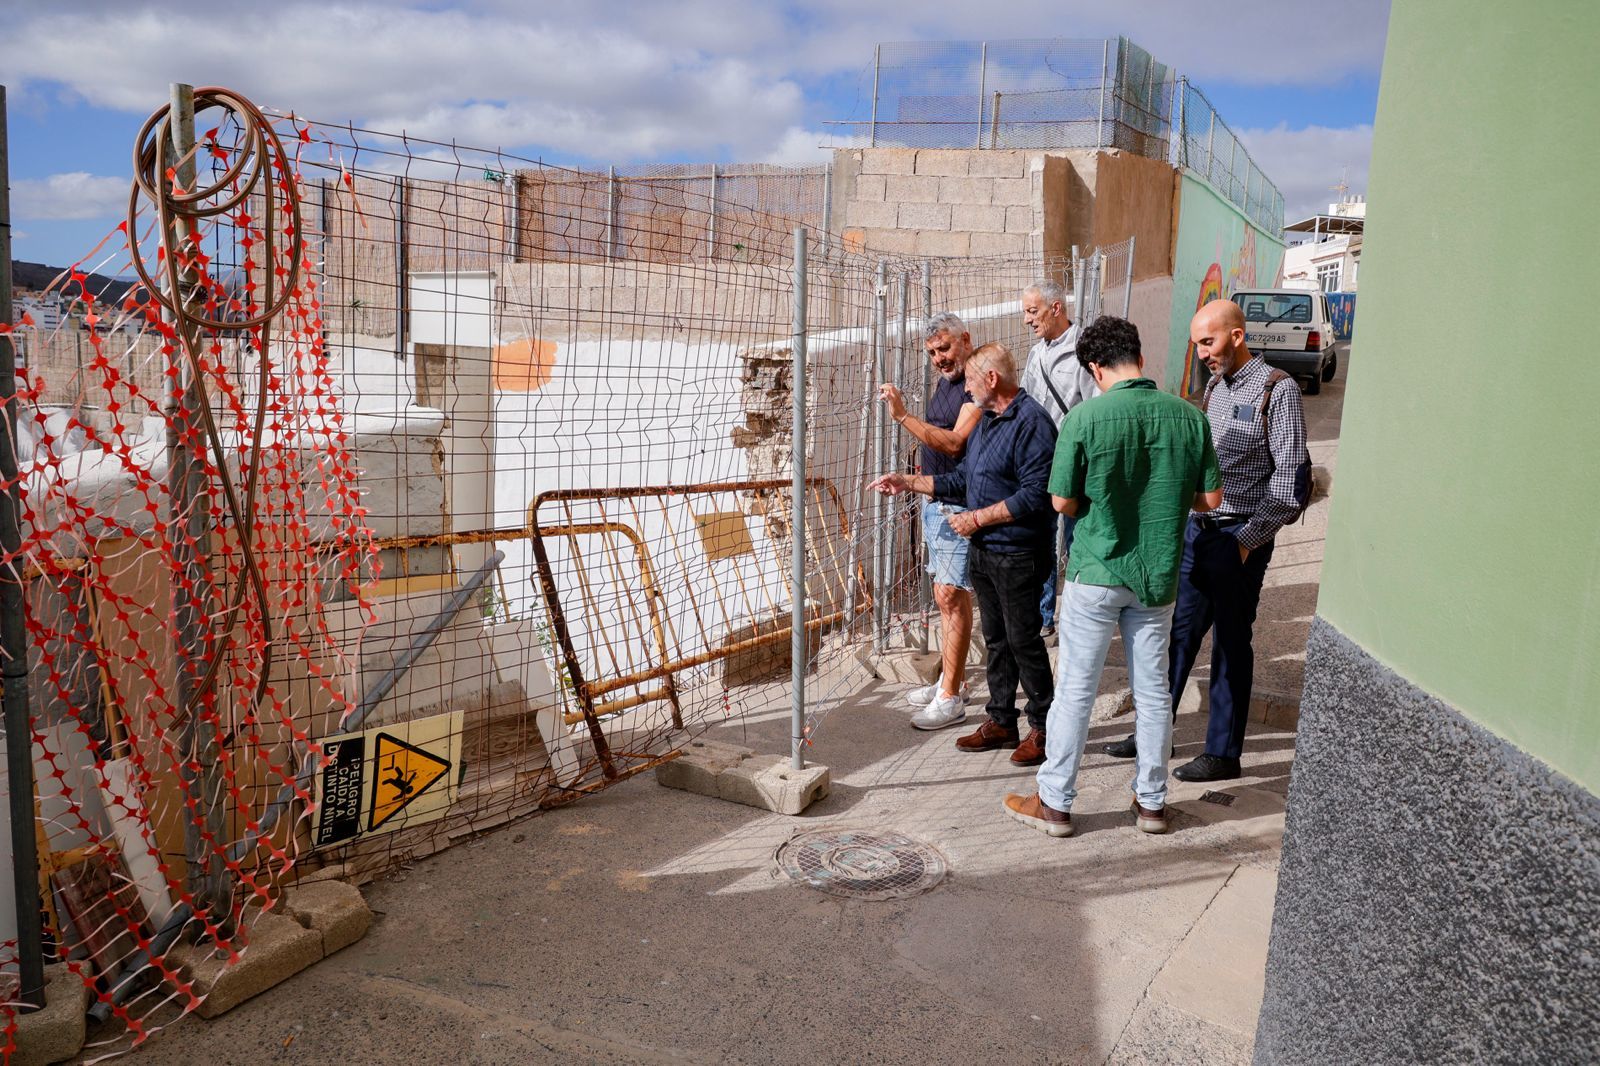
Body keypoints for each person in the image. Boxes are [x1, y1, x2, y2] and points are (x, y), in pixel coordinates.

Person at [1003, 316, 1222, 838]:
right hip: (1158, 576)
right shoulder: (1190, 418)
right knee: (1153, 693)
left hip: (1095, 570)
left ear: (1094, 368)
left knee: (1076, 689)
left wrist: (1096, 505)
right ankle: (1151, 804)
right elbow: (1210, 500)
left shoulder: (1085, 418)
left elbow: (1060, 500)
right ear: (1140, 359)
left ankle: (1055, 804)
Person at [1101, 299, 1309, 783]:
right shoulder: (1216, 387)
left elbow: (1290, 484)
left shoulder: (1278, 392)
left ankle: (1222, 753)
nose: (1202, 355)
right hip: (1200, 533)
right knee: (1177, 634)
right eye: (1197, 344)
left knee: (1231, 645)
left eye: (1208, 342)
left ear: (1237, 336)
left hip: (1241, 538)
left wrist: (1245, 543)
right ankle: (1155, 731)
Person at [870, 343, 1059, 764]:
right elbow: (961, 480)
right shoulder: (989, 421)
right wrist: (907, 482)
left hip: (1017, 552)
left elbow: (1035, 495)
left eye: (971, 382)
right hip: (986, 551)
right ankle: (1002, 721)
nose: (966, 391)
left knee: (1024, 642)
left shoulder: (1032, 423)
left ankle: (1045, 729)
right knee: (997, 641)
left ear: (992, 380)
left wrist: (977, 520)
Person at [878, 313, 981, 729]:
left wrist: (903, 416)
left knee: (952, 597)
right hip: (936, 501)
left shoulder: (977, 382)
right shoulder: (946, 383)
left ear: (966, 340)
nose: (940, 358)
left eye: (945, 348)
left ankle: (951, 696)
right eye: (933, 352)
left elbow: (956, 443)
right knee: (944, 597)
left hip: (959, 505)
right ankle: (948, 680)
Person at [1020, 280, 1098, 639]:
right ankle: (1043, 617)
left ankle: (1080, 616)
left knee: (1076, 539)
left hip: (1076, 463)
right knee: (1043, 539)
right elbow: (1027, 400)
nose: (1026, 320)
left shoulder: (1085, 349)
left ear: (1056, 308)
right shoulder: (1036, 353)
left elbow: (1095, 407)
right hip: (1041, 462)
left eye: (1032, 311)